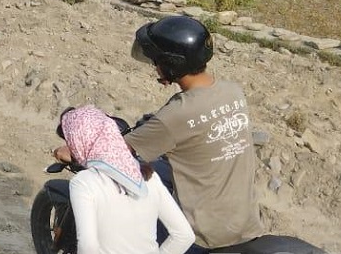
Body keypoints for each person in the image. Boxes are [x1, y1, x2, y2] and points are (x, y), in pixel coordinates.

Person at [53, 16, 265, 252]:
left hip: (205, 234)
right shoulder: (233, 91)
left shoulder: (174, 116)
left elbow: (111, 151)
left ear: (171, 64)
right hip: (245, 222)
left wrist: (72, 150)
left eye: (156, 61)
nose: (155, 67)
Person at [59, 105, 193, 254]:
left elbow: (88, 247)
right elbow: (184, 236)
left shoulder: (84, 182)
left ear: (78, 143)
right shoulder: (148, 175)